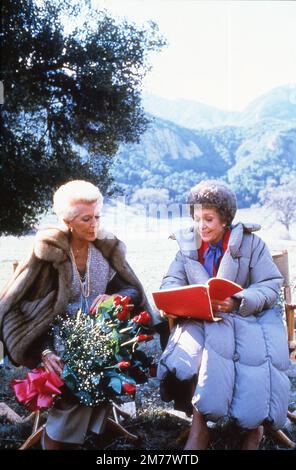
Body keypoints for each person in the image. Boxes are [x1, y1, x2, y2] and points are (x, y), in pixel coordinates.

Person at [0, 180, 156, 450]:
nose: (94, 224)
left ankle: (73, 434)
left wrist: (116, 297)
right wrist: (44, 353)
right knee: (77, 379)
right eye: (86, 218)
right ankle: (58, 441)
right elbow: (27, 312)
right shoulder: (49, 254)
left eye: (97, 216)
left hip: (98, 334)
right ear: (68, 220)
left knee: (108, 370)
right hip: (51, 339)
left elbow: (132, 289)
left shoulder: (106, 249)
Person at [157, 180, 290, 450]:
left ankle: (254, 427)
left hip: (246, 316)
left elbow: (269, 285)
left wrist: (239, 300)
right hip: (202, 317)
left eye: (208, 219)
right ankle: (199, 426)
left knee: (253, 352)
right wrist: (185, 298)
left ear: (225, 220)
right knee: (195, 349)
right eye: (197, 219)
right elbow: (170, 282)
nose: (201, 226)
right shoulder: (187, 247)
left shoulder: (252, 244)